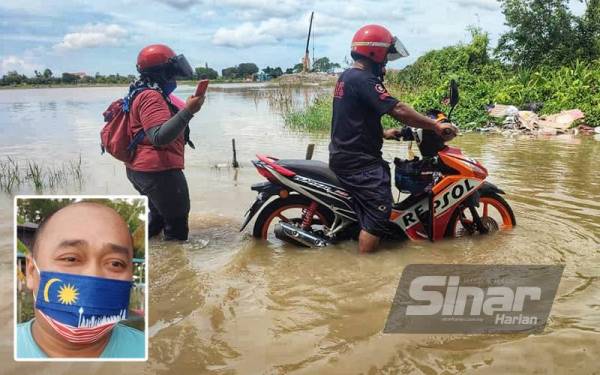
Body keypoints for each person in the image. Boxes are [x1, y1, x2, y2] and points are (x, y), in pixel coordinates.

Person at [329, 24, 458, 254]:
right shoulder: (365, 80)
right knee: (379, 214)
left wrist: (385, 133)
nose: (387, 62)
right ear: (375, 52)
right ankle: (366, 272)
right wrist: (435, 125)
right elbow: (398, 109)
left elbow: (354, 119)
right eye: (387, 56)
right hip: (359, 164)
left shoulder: (348, 76)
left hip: (346, 156)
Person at [17, 202, 145, 358]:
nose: (93, 276)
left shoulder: (149, 351)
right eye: (71, 259)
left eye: (115, 263)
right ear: (31, 271)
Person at [126, 44, 204, 241]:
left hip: (140, 170)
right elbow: (158, 137)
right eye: (172, 71)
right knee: (176, 228)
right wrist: (189, 111)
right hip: (159, 172)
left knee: (159, 218)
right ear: (163, 72)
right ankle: (176, 266)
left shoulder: (142, 91)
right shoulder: (152, 96)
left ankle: (149, 256)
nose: (175, 76)